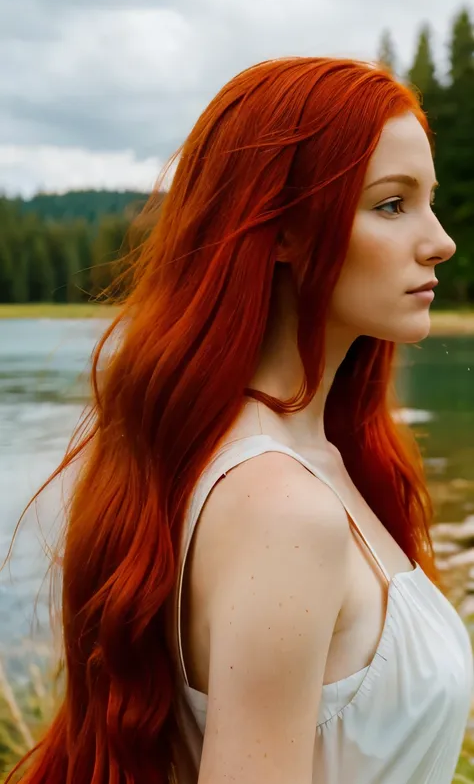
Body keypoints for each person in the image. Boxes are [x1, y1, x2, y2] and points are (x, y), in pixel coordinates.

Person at [6, 57, 473, 784]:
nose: (439, 239)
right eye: (391, 204)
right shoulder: (281, 508)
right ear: (281, 230)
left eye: (430, 200)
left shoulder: (296, 456)